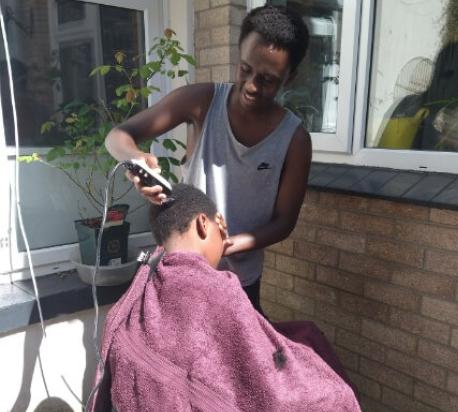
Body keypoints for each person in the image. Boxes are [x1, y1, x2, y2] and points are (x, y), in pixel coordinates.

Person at [89, 183, 371, 412]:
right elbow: (268, 388)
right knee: (336, 397)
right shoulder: (216, 291)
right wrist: (335, 398)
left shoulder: (146, 280)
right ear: (203, 224)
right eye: (222, 233)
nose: (224, 247)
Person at [105, 5, 312, 311]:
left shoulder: (294, 140)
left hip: (241, 285)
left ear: (290, 76)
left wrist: (230, 244)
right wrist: (136, 160)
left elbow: (284, 222)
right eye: (245, 69)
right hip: (182, 275)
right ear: (239, 54)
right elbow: (118, 136)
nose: (252, 86)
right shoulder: (202, 102)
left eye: (268, 80)